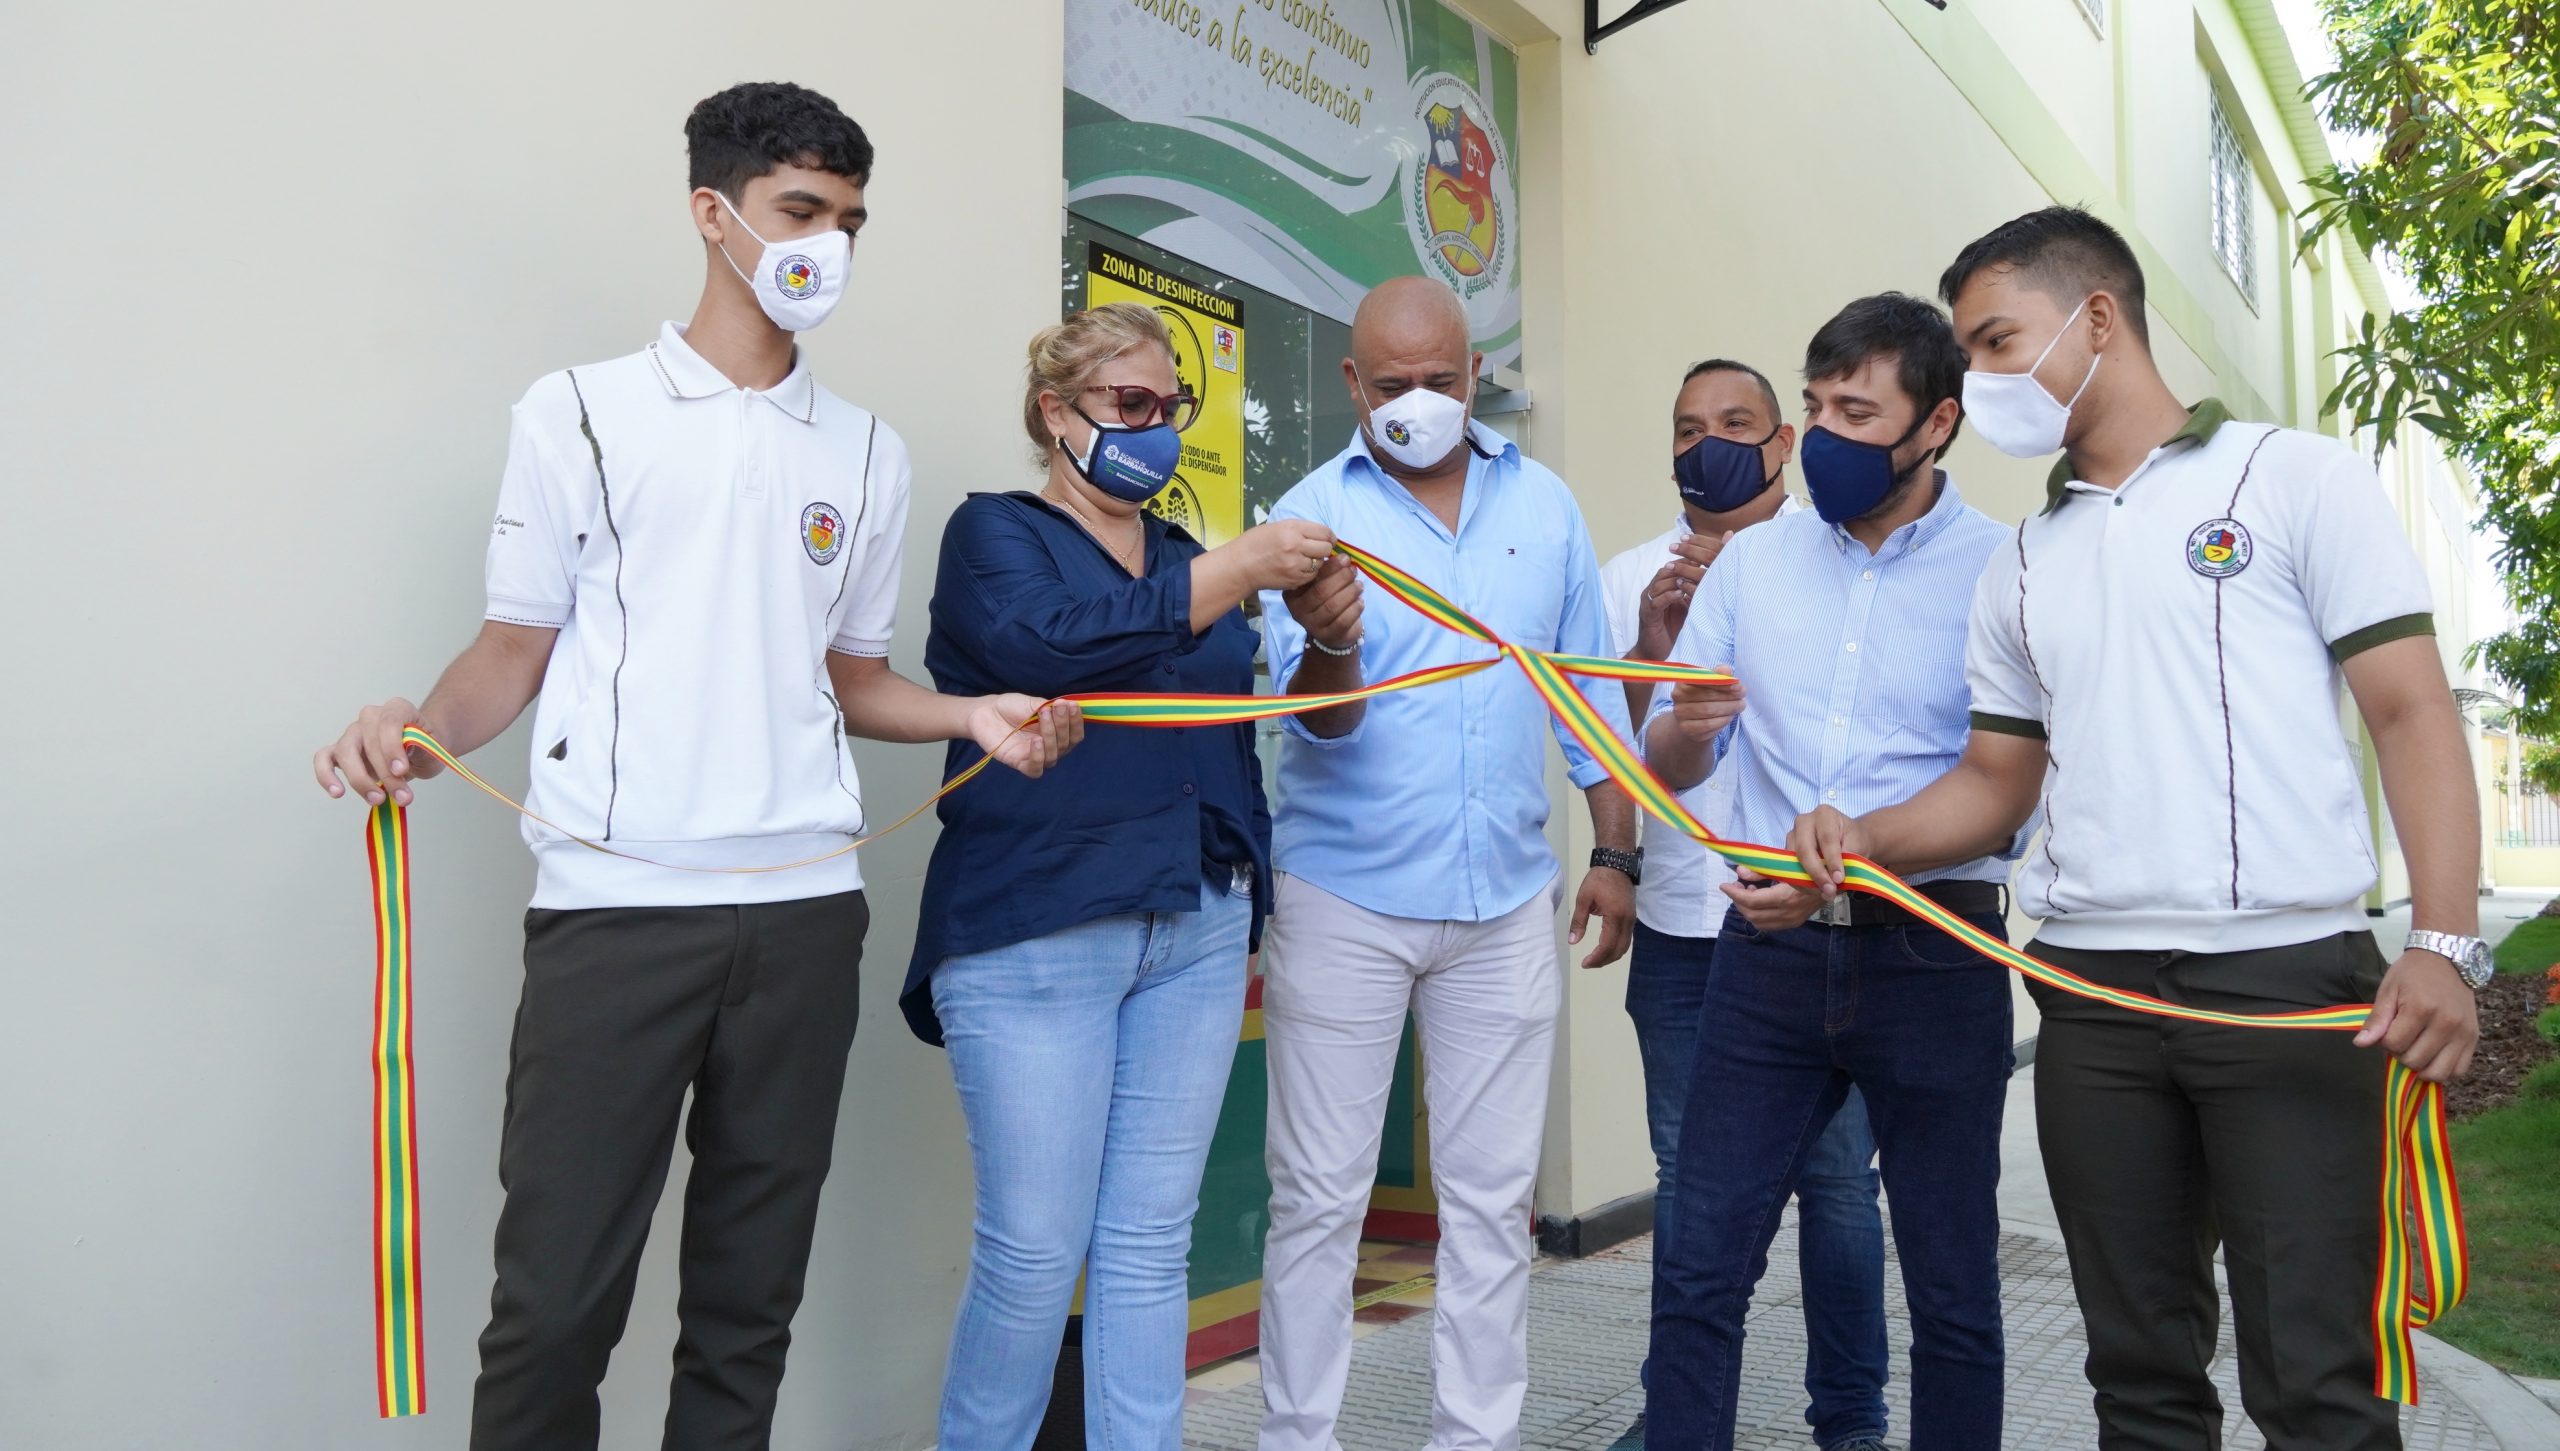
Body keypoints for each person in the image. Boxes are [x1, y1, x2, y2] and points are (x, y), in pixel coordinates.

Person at [309, 82, 1080, 1451]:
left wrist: (973, 718)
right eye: (800, 212)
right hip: (615, 912)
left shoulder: (866, 451)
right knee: (553, 1306)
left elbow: (851, 681)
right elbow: (509, 646)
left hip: (802, 915)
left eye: (848, 221)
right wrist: (416, 735)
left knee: (747, 1304)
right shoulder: (580, 413)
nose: (825, 247)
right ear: (711, 212)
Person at [1782, 206, 2488, 1451]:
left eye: (1998, 341)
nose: (1980, 380)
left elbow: (2409, 708)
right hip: (2092, 995)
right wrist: (1866, 832)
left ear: (2094, 318)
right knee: (2139, 1375)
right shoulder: (2022, 562)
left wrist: (2441, 939)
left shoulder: (2293, 478)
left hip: (2285, 982)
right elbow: (1996, 781)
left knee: (2317, 1375)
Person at [902, 302, 1335, 1449]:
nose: (1155, 428)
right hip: (1037, 925)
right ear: (1057, 414)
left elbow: (1232, 725)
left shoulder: (1189, 560)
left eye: (1170, 408)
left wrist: (1248, 878)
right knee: (1035, 1248)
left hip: (1191, 920)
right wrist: (1238, 566)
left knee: (1150, 1242)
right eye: (1129, 406)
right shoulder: (993, 532)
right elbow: (1055, 643)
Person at [1254, 276, 1640, 1450]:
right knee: (1318, 1199)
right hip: (1344, 898)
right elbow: (1307, 718)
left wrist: (1615, 849)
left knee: (1488, 1203)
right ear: (1349, 384)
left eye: (1438, 378)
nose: (1416, 401)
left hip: (1504, 902)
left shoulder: (1547, 505)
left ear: (1475, 376)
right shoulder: (1308, 517)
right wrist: (1329, 638)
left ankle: (1475, 1436)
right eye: (1389, 383)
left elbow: (1586, 691)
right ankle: (1294, 1436)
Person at [1643, 294, 2017, 1451]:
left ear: (1936, 421)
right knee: (1699, 1267)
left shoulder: (2004, 570)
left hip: (1935, 947)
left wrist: (1859, 847)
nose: (1823, 437)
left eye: (1858, 410)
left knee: (1953, 1288)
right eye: (1814, 408)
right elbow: (1663, 753)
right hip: (1767, 956)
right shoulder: (1751, 563)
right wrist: (1691, 728)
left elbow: (2008, 781)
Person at [1596, 360, 1886, 1451]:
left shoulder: (1831, 558)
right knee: (1690, 1185)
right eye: (1685, 426)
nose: (1704, 443)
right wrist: (1655, 655)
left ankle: (1850, 1421)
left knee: (1836, 1186)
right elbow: (1617, 752)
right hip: (1681, 926)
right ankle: (1676, 1413)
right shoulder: (1632, 571)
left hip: (1811, 923)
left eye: (1732, 424)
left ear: (1778, 445)